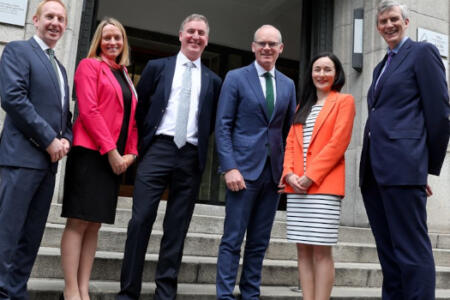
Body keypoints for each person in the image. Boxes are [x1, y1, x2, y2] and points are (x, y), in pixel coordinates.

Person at [117, 14, 222, 300]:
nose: (195, 36)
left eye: (201, 33)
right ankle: (128, 292)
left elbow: (210, 121)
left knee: (177, 227)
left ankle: (165, 293)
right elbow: (139, 110)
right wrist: (137, 148)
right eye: (191, 31)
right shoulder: (156, 67)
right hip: (157, 150)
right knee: (140, 221)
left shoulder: (213, 80)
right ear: (180, 35)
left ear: (207, 40)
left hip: (190, 156)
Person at [359, 1, 450, 299]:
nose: (388, 25)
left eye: (394, 19)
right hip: (374, 171)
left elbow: (439, 114)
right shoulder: (379, 66)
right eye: (383, 21)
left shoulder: (422, 53)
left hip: (403, 168)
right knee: (389, 253)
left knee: (411, 252)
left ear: (406, 22)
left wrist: (421, 167)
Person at [215, 24, 296, 300]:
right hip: (242, 173)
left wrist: (286, 171)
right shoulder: (236, 78)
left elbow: (288, 133)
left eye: (272, 44)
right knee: (232, 240)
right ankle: (225, 296)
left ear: (281, 49)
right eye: (261, 43)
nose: (267, 48)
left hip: (272, 176)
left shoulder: (288, 84)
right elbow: (223, 125)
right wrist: (230, 167)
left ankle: (251, 294)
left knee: (259, 243)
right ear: (253, 47)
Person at [59, 18, 138, 300]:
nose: (112, 42)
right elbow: (89, 111)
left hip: (113, 159)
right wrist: (113, 152)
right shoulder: (89, 65)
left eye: (117, 37)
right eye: (107, 37)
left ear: (123, 41)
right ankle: (70, 291)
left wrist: (131, 153)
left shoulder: (125, 74)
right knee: (78, 221)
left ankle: (83, 289)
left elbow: (131, 119)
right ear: (98, 41)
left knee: (94, 224)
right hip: (91, 154)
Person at [0, 0, 72, 298]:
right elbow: (13, 98)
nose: (55, 22)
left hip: (48, 165)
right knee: (7, 235)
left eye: (61, 18)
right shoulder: (19, 50)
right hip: (21, 159)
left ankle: (16, 292)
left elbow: (64, 114)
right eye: (50, 17)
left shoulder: (61, 68)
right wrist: (49, 139)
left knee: (30, 238)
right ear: (36, 20)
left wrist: (66, 137)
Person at [281, 53, 355, 300]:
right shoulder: (303, 105)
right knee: (302, 252)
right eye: (317, 69)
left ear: (336, 74)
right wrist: (289, 174)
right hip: (297, 189)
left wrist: (311, 176)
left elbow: (338, 144)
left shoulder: (344, 101)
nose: (321, 74)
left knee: (322, 253)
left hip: (323, 188)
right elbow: (291, 143)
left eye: (327, 69)